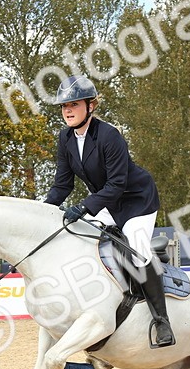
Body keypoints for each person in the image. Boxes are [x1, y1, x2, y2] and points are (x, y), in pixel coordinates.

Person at [43, 75, 174, 348]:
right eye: (64, 106)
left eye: (74, 104)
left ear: (91, 106)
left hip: (136, 201)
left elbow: (117, 184)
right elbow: (62, 184)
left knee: (137, 251)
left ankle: (161, 321)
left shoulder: (109, 135)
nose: (67, 110)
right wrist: (42, 212)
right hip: (107, 203)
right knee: (77, 236)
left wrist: (84, 206)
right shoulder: (66, 138)